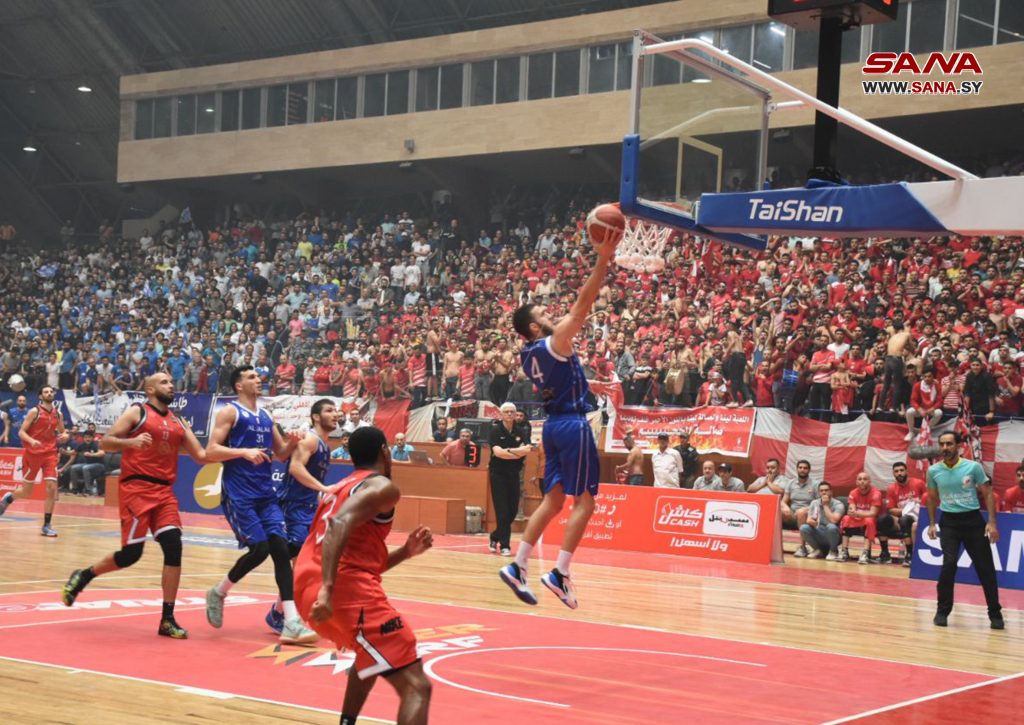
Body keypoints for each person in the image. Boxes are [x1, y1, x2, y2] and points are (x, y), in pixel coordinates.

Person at [501, 239, 612, 610]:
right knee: (585, 503)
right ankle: (560, 572)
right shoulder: (554, 341)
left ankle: (518, 565)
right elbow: (583, 304)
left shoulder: (528, 354)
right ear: (534, 326)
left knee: (553, 500)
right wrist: (603, 259)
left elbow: (560, 379)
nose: (550, 314)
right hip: (573, 425)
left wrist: (588, 384)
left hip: (551, 426)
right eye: (543, 313)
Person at [297, 426, 434, 725]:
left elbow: (353, 558)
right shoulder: (382, 486)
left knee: (369, 653)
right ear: (385, 452)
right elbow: (338, 525)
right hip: (340, 592)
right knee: (417, 686)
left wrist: (405, 552)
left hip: (309, 589)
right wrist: (328, 590)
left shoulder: (339, 488)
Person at [60, 373, 207, 639]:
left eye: (171, 382)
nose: (171, 385)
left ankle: (167, 619)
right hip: (136, 489)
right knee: (131, 555)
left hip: (164, 492)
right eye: (164, 382)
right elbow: (106, 442)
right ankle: (84, 575)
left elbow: (201, 455)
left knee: (174, 546)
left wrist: (237, 451)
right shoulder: (138, 412)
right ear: (150, 389)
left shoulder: (177, 421)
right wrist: (131, 442)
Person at [203, 365, 316, 644]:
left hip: (266, 494)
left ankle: (291, 621)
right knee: (260, 549)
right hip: (239, 494)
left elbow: (281, 454)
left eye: (258, 376)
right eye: (251, 377)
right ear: (239, 385)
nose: (258, 380)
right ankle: (219, 591)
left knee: (280, 549)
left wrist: (292, 442)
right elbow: (211, 451)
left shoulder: (266, 416)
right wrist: (243, 451)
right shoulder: (230, 412)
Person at [266, 398, 338, 635]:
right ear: (316, 416)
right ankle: (281, 614)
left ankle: (280, 612)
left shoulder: (324, 445)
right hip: (292, 506)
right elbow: (295, 468)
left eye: (336, 410)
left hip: (306, 508)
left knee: (303, 564)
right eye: (329, 410)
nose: (335, 414)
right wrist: (324, 489)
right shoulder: (310, 439)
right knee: (299, 563)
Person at [926, 431, 1003, 629]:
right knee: (949, 564)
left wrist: (992, 522)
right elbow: (932, 498)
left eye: (949, 444)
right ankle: (942, 611)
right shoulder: (934, 471)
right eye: (942, 444)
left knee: (985, 568)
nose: (945, 448)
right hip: (949, 523)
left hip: (973, 522)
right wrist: (932, 523)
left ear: (958, 446)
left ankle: (995, 614)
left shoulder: (973, 467)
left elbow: (988, 493)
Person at [0, 386, 69, 536]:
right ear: (40, 396)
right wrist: (32, 441)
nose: (49, 393)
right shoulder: (34, 412)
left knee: (51, 488)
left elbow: (63, 431)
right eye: (46, 392)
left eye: (51, 392)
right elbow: (21, 432)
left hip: (50, 454)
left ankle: (47, 525)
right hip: (33, 454)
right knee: (26, 492)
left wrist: (65, 435)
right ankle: (9, 498)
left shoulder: (58, 414)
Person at [488, 402, 533, 556]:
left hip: (514, 474)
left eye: (511, 412)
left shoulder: (521, 431)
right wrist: (516, 452)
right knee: (502, 510)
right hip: (498, 474)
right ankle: (505, 545)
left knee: (512, 511)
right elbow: (498, 453)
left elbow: (527, 449)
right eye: (506, 411)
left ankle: (495, 536)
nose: (509, 414)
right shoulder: (495, 430)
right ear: (501, 414)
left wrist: (508, 452)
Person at [878, 462, 926, 565]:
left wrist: (916, 502)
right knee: (882, 519)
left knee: (905, 520)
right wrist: (906, 510)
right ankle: (885, 554)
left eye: (901, 470)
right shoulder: (891, 489)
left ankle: (909, 555)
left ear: (906, 471)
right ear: (893, 474)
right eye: (896, 471)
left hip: (918, 518)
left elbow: (929, 500)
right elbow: (891, 509)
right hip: (901, 518)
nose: (899, 473)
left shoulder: (919, 483)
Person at [838, 471, 883, 564]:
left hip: (872, 520)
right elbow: (851, 511)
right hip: (858, 518)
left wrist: (857, 513)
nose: (862, 481)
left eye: (865, 479)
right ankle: (844, 551)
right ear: (856, 482)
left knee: (869, 520)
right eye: (860, 479)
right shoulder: (853, 493)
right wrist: (853, 513)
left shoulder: (876, 493)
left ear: (869, 481)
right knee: (846, 518)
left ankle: (865, 553)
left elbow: (873, 513)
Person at [798, 481, 845, 559]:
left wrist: (825, 505)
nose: (824, 492)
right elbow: (809, 520)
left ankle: (833, 551)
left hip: (833, 534)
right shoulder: (814, 503)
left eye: (826, 490)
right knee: (803, 528)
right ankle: (817, 550)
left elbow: (834, 520)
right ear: (819, 492)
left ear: (831, 492)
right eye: (821, 491)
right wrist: (813, 522)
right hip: (819, 531)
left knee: (831, 527)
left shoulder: (838, 504)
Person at [782, 459, 818, 530]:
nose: (802, 470)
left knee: (801, 513)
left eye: (805, 468)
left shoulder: (815, 484)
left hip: (808, 513)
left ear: (809, 470)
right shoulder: (791, 483)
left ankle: (802, 535)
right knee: (780, 510)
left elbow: (819, 503)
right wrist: (786, 508)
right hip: (792, 513)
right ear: (797, 469)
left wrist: (806, 509)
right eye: (800, 467)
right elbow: (783, 501)